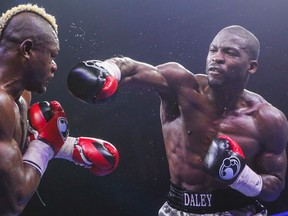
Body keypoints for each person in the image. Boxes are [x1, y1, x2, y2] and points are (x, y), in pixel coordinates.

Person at [67, 25, 288, 215]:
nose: (217, 57)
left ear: (251, 66)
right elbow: (132, 68)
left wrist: (242, 177)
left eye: (229, 52)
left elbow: (275, 186)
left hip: (239, 210)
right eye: (213, 50)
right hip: (179, 208)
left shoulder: (268, 119)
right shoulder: (182, 88)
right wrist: (108, 70)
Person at [0, 4, 119, 215]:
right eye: (51, 55)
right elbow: (13, 202)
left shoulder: (22, 97)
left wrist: (68, 148)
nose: (54, 66)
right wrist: (46, 147)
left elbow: (14, 155)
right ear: (27, 50)